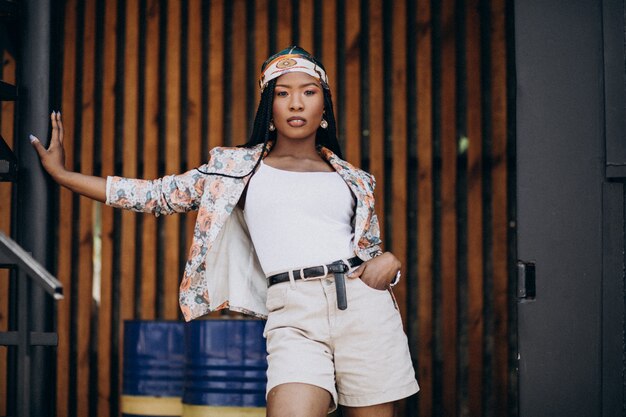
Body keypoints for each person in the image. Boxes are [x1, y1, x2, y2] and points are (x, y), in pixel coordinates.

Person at [31, 46, 419, 417]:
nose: (296, 103)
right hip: (293, 314)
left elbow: (371, 252)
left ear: (324, 106)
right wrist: (65, 176)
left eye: (308, 92)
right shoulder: (233, 170)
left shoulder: (355, 179)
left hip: (364, 309)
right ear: (270, 107)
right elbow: (155, 195)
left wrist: (391, 262)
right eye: (283, 93)